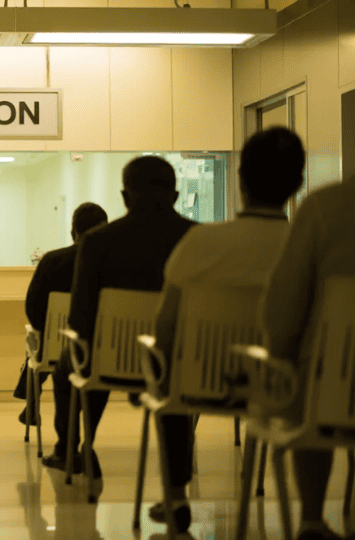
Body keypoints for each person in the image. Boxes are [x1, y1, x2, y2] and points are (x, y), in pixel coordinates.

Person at [145, 127, 306, 531]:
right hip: (288, 392)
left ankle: (177, 495)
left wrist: (160, 365)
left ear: (240, 179)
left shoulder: (200, 242)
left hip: (201, 384)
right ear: (298, 184)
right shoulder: (306, 246)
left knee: (168, 383)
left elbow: (165, 328)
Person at [45, 156, 197, 492]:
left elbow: (80, 318)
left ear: (125, 198)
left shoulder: (97, 242)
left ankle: (73, 448)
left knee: (72, 363)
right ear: (174, 195)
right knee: (172, 376)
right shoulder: (197, 238)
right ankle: (176, 488)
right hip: (176, 363)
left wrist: (92, 349)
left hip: (107, 361)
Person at [261, 172, 355, 538]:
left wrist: (278, 359)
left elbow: (283, 309)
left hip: (333, 394)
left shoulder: (323, 207)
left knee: (312, 378)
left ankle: (313, 518)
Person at [16, 203, 108, 426]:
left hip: (56, 347)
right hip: (103, 351)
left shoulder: (51, 261)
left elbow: (32, 307)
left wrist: (44, 332)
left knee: (42, 348)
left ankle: (31, 401)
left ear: (72, 231)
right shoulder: (114, 265)